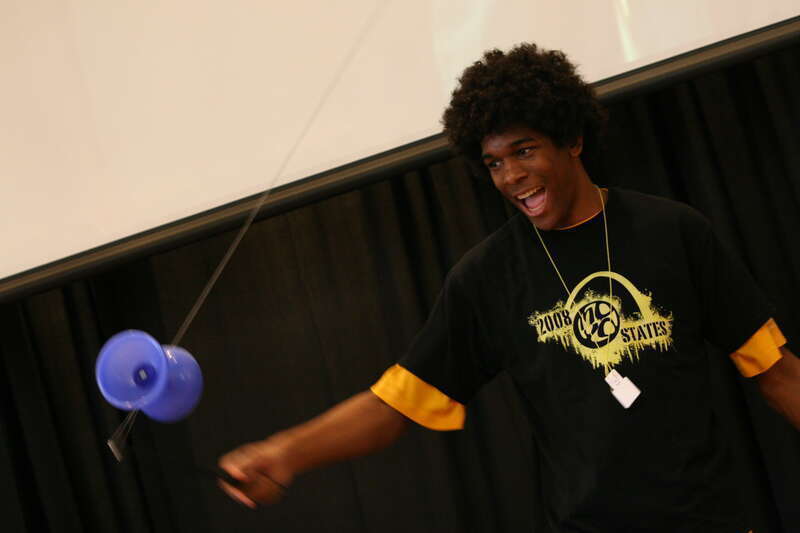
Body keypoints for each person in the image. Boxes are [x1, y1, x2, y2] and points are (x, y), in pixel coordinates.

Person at [218, 43, 800, 531]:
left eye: (524, 150)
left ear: (571, 139)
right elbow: (397, 402)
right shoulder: (487, 278)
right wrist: (287, 452)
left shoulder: (672, 232)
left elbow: (776, 371)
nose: (512, 177)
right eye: (494, 163)